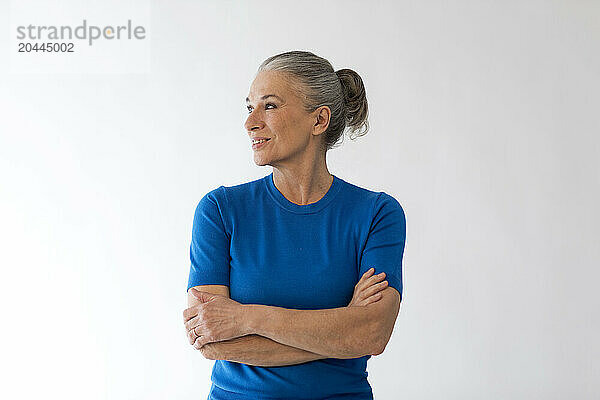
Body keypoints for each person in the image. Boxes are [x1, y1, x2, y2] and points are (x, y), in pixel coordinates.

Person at [182, 50, 406, 400]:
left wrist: (246, 318)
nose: (251, 122)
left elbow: (373, 334)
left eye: (269, 105)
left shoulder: (377, 213)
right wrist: (343, 328)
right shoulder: (220, 210)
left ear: (319, 120)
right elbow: (212, 341)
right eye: (249, 107)